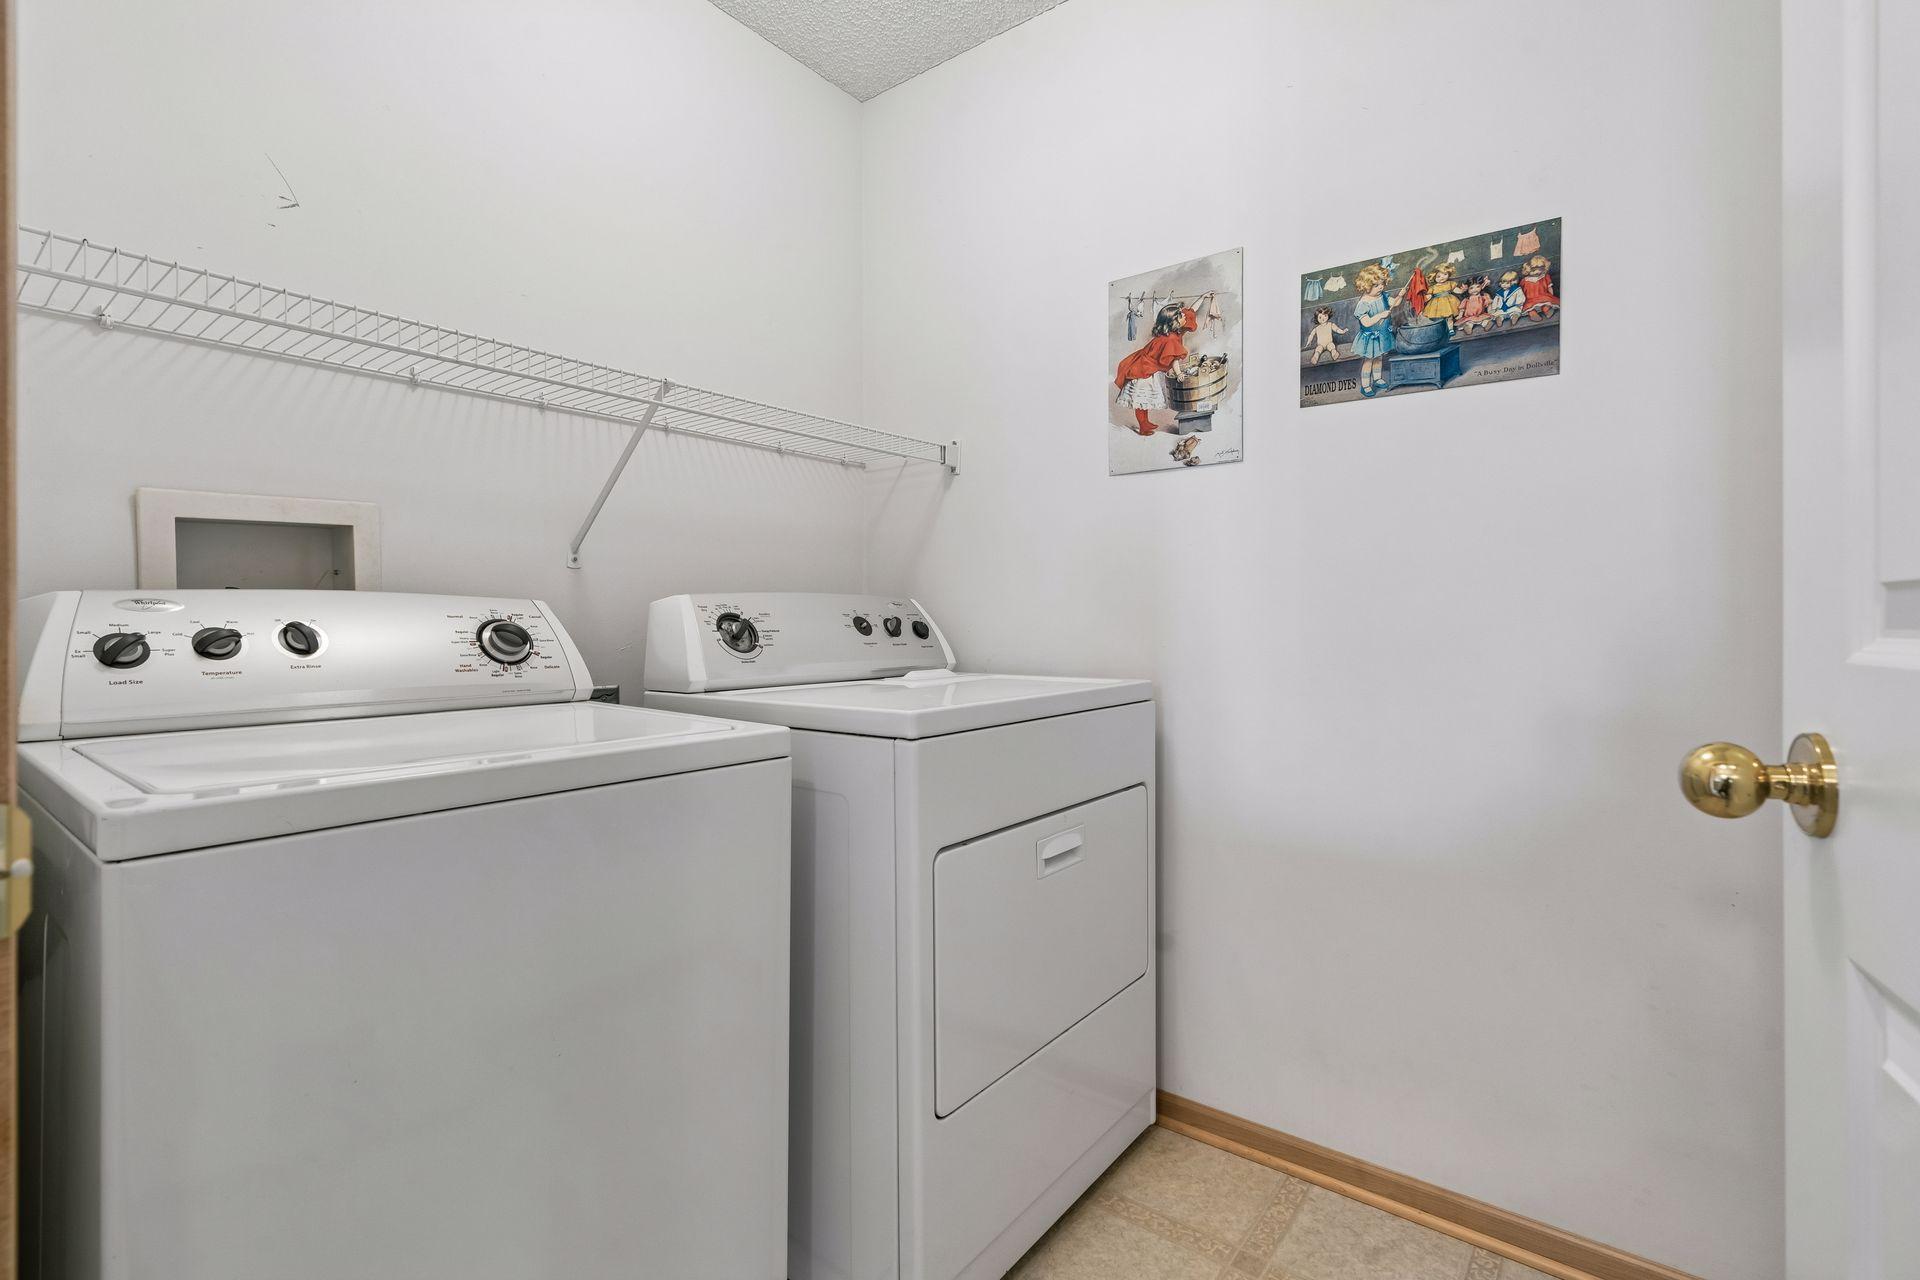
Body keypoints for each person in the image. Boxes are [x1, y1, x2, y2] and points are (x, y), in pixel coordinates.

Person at [1114, 297, 1205, 435]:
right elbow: (1174, 359)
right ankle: (1143, 426)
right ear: (1173, 322)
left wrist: (1203, 297)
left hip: (1148, 366)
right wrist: (1179, 373)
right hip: (1144, 370)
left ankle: (1145, 422)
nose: (1185, 316)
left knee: (1144, 400)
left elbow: (1191, 310)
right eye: (1181, 316)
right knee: (1141, 400)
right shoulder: (1170, 339)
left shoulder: (1174, 331)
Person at [1349, 265, 1404, 398]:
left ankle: (1377, 378)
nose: (1380, 287)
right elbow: (1366, 323)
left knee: (1379, 357)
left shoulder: (1383, 295)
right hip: (1370, 337)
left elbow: (1395, 303)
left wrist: (1400, 296)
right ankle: (1366, 386)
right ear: (1366, 286)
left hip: (1382, 334)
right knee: (1369, 361)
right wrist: (1380, 315)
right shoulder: (1363, 303)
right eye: (1376, 285)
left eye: (1382, 284)